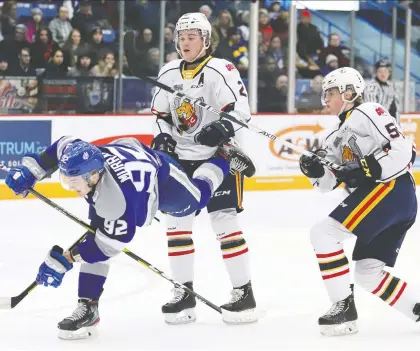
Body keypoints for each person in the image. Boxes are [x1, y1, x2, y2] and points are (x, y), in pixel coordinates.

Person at [4, 136, 255, 340]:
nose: (72, 188)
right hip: (125, 156)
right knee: (96, 230)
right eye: (66, 182)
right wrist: (32, 170)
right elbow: (60, 146)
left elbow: (106, 246)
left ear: (93, 176)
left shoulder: (118, 203)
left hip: (159, 174)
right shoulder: (81, 160)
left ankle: (223, 157)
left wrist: (65, 260)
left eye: (75, 183)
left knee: (197, 198)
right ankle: (88, 306)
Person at [124, 12, 258, 325]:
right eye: (181, 37)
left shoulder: (220, 69)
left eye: (192, 36)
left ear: (206, 40)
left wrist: (222, 127)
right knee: (177, 225)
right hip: (182, 159)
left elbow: (240, 109)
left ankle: (244, 292)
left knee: (225, 224)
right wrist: (164, 137)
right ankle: (183, 293)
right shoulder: (169, 71)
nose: (185, 42)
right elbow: (161, 114)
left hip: (220, 156)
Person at [299, 67, 418, 337]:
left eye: (330, 93)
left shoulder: (368, 112)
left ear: (349, 92)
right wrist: (316, 171)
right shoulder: (333, 137)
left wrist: (364, 169)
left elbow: (404, 150)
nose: (325, 99)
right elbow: (328, 184)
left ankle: (342, 306)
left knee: (324, 234)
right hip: (389, 199)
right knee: (368, 273)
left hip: (391, 189)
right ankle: (416, 308)